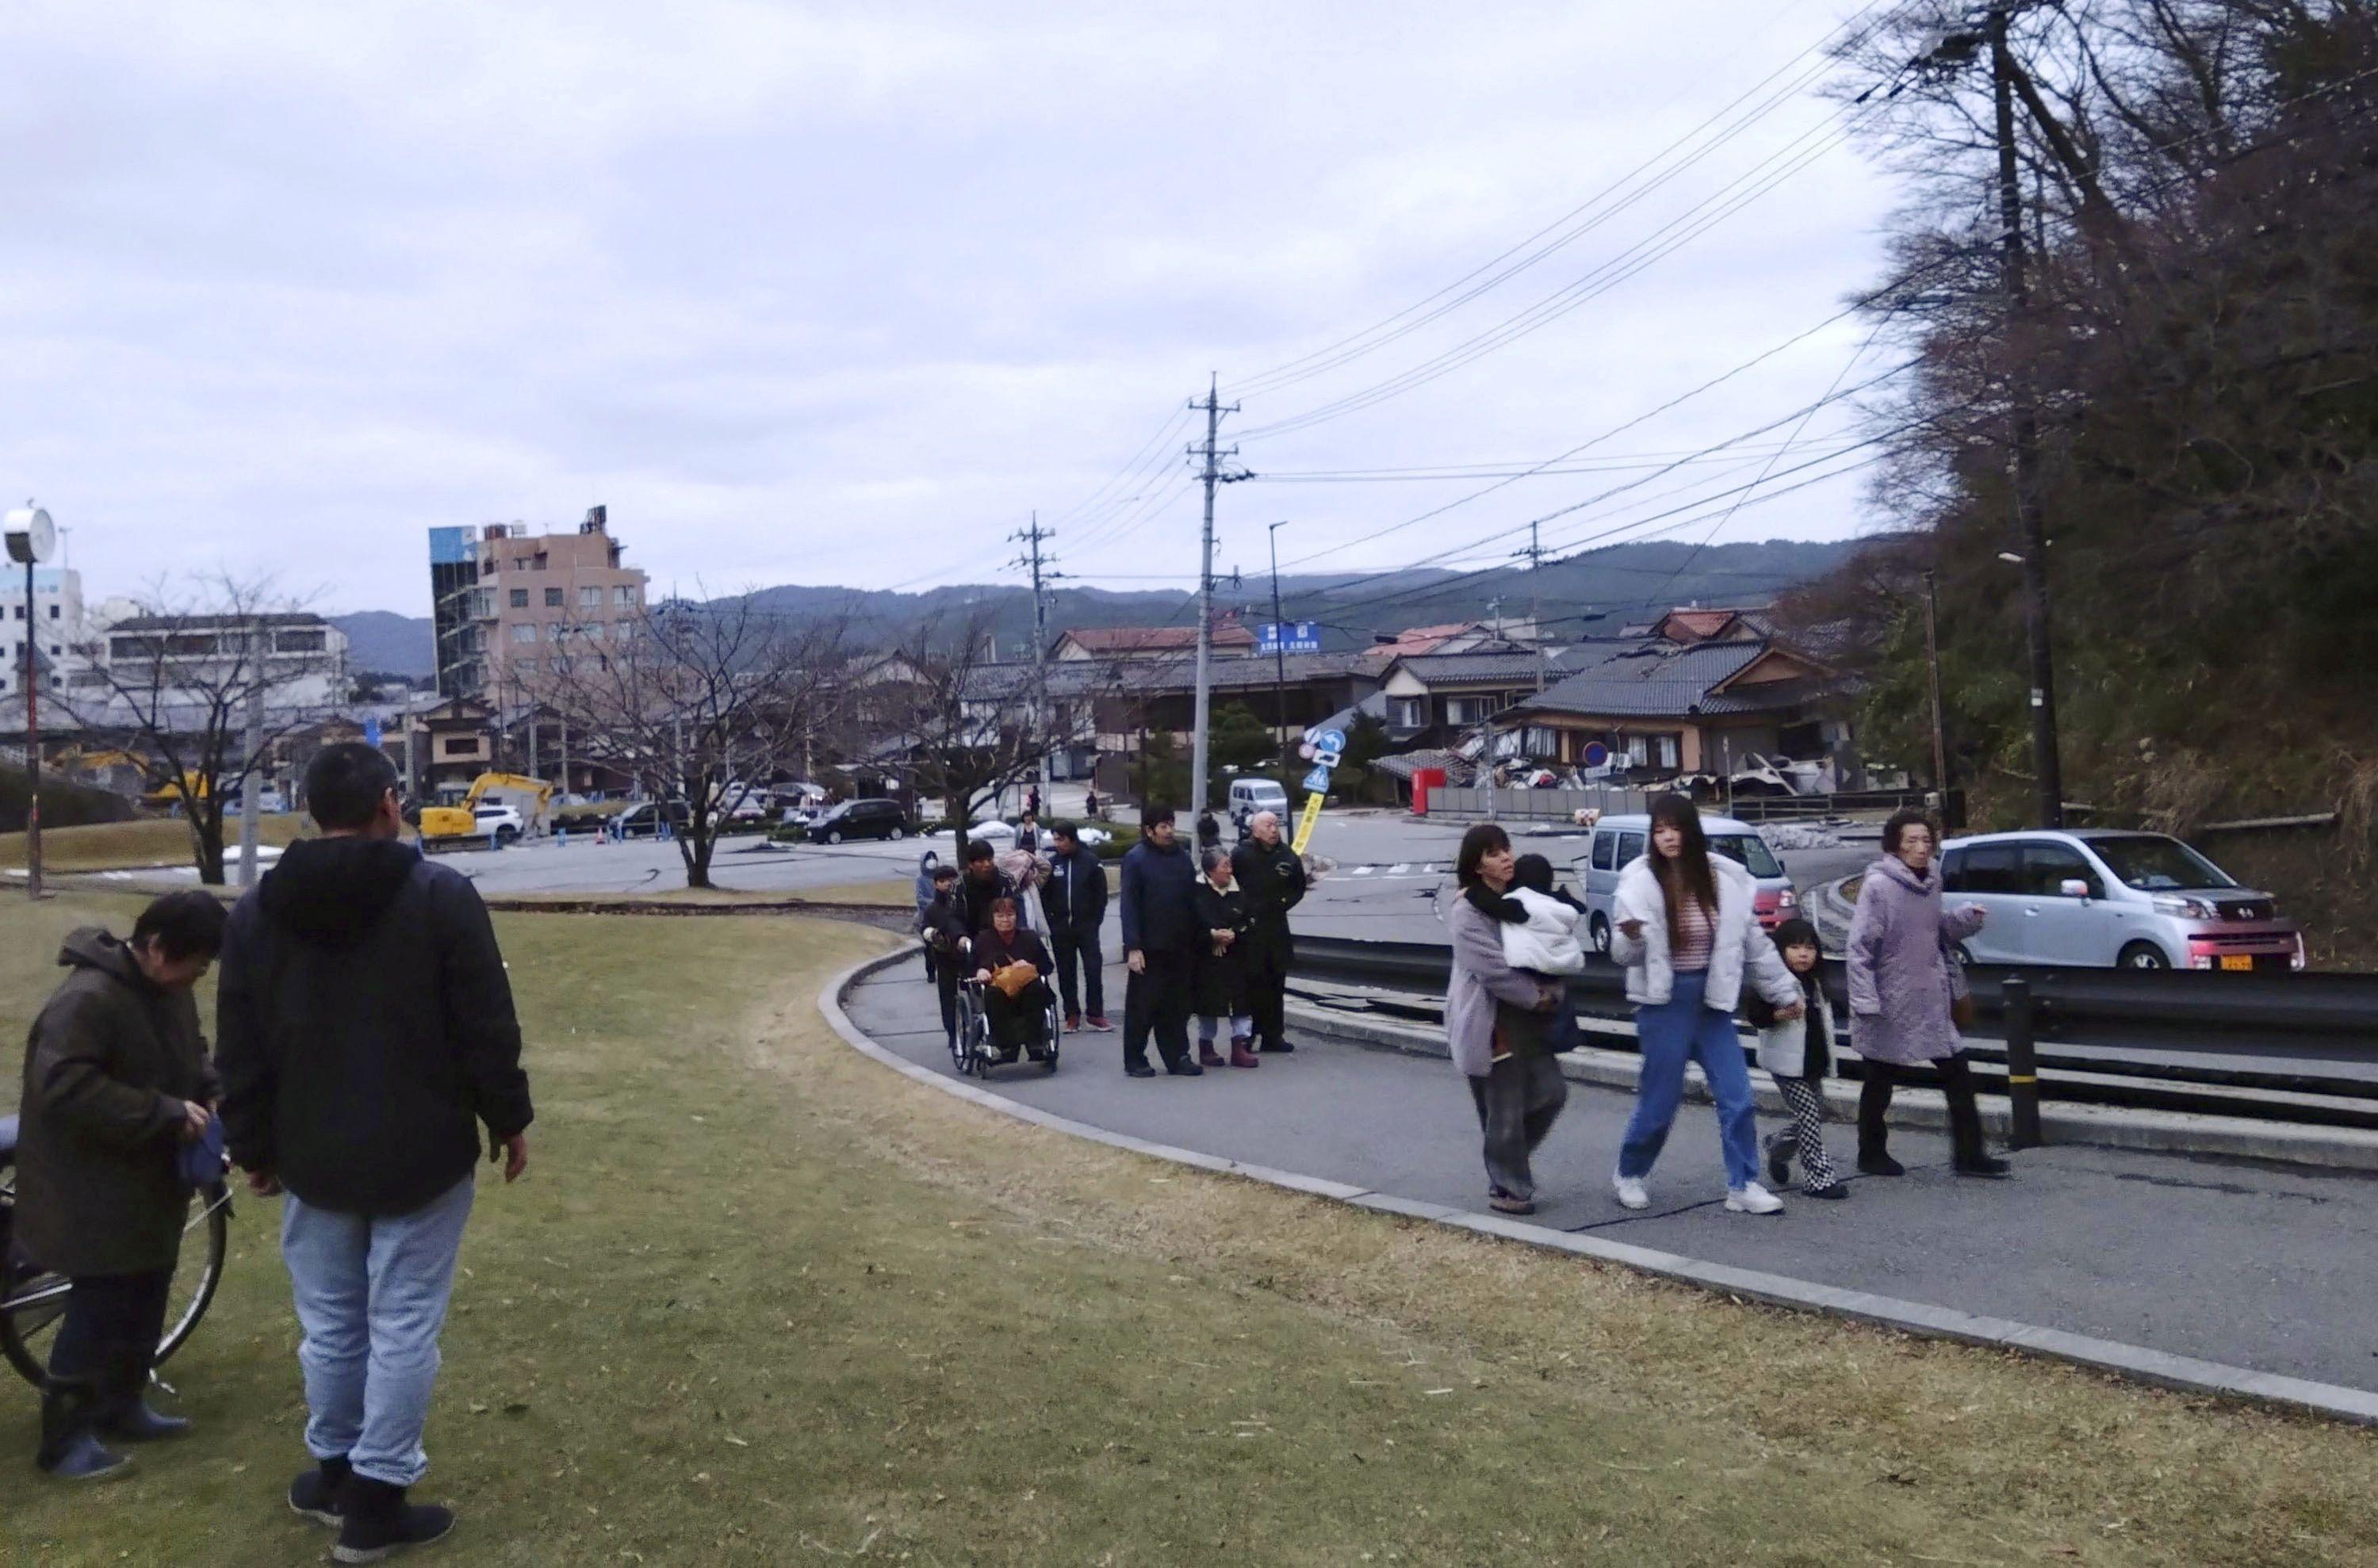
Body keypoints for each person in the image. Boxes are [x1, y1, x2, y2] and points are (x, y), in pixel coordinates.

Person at [217, 742, 534, 1559]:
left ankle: (334, 1471)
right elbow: (483, 1024)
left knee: (329, 1321)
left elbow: (240, 1046)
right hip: (422, 1148)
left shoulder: (255, 911)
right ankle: (376, 1498)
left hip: (309, 1151)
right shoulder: (439, 895)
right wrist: (508, 1118)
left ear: (311, 812)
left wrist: (249, 1143)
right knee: (400, 1324)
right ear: (390, 804)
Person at [15, 892, 229, 1481]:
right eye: (196, 963)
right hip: (89, 1183)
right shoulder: (87, 1000)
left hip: (148, 1180)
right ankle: (63, 1441)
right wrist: (163, 1112)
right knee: (100, 1302)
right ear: (156, 948)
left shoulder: (168, 991)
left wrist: (207, 1087)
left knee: (148, 1286)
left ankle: (121, 1404)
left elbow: (192, 1052)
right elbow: (62, 1086)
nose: (198, 976)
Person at [1609, 793, 1803, 1216]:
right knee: (1660, 1101)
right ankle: (1630, 1173)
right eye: (1659, 830)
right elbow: (1623, 956)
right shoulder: (1639, 881)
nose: (1668, 838)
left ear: (1691, 831)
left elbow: (1752, 945)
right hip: (1664, 1003)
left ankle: (1744, 1184)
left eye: (1675, 828)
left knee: (1739, 1095)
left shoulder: (1722, 880)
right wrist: (1632, 936)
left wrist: (1785, 992)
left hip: (1712, 1002)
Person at [1846, 810, 2008, 1178]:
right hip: (1890, 998)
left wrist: (1966, 919)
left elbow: (1937, 932)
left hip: (1931, 996)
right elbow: (1860, 948)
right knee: (1879, 1079)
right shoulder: (1878, 887)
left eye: (1926, 841)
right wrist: (1866, 1000)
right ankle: (1870, 1152)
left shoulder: (1932, 880)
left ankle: (1970, 1156)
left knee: (1959, 1075)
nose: (1921, 849)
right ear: (1894, 847)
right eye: (1911, 842)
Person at [1445, 824, 1567, 1214]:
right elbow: (1492, 971)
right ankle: (1509, 1187)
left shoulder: (1519, 901)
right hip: (1491, 1020)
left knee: (1552, 1093)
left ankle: (1503, 1156)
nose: (1506, 858)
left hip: (1529, 1020)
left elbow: (1548, 948)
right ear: (1476, 865)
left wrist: (1552, 993)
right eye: (1494, 853)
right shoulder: (1467, 911)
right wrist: (1536, 997)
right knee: (1504, 1107)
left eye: (1507, 849)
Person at [1748, 918, 1846, 1199]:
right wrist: (1778, 1015)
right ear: (1780, 950)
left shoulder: (1817, 984)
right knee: (1809, 1114)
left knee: (1816, 1114)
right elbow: (1756, 1015)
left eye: (1810, 948)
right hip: (1786, 1066)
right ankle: (1819, 1179)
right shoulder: (1774, 983)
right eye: (1794, 947)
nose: (1803, 954)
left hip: (1813, 1063)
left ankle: (1777, 1147)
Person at [1465, 852, 1587, 1057]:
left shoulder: (1521, 905)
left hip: (1528, 972)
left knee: (1527, 1035)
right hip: (1559, 971)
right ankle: (1564, 1038)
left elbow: (1491, 905)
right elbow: (1580, 907)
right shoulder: (1561, 906)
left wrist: (1470, 893)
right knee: (1557, 1013)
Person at [1119, 805, 1200, 1077]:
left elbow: (1193, 900)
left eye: (1171, 825)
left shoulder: (1183, 858)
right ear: (1149, 830)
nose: (1169, 831)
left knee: (1177, 1007)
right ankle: (1135, 1058)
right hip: (1148, 947)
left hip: (1179, 944)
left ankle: (1178, 1056)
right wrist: (1133, 947)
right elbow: (1129, 905)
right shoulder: (1135, 859)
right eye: (1163, 826)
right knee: (1143, 1006)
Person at [1230, 810, 1307, 1054]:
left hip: (1276, 927)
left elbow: (1299, 886)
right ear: (1255, 830)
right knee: (1250, 984)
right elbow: (1228, 885)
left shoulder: (1286, 855)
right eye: (1268, 825)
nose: (1274, 829)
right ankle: (1246, 1035)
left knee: (1276, 982)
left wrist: (1283, 903)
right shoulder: (1242, 855)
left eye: (1276, 825)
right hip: (1249, 929)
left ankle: (1273, 1034)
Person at [1190, 847, 1259, 1069]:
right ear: (1210, 871)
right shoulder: (1196, 890)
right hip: (1207, 958)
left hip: (1237, 955)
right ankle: (1206, 1046)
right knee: (1208, 1004)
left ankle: (1240, 1046)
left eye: (1230, 865)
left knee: (1241, 1001)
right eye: (1224, 866)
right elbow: (1188, 923)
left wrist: (1234, 934)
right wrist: (1211, 935)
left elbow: (1249, 919)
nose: (1230, 870)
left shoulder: (1239, 891)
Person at [1043, 821, 1111, 1031]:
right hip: (1061, 929)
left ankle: (1096, 1014)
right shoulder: (1053, 865)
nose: (1058, 843)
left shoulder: (1091, 862)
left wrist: (1094, 921)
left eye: (1061, 839)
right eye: (1055, 839)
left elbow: (1101, 895)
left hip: (1086, 928)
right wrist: (1052, 922)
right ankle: (1071, 1015)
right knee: (1066, 972)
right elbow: (1045, 896)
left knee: (1093, 969)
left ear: (1072, 839)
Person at [971, 899, 1057, 1061]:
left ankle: (1035, 1043)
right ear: (992, 917)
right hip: (997, 987)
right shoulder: (983, 940)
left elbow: (1048, 966)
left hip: (1027, 986)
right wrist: (980, 971)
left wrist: (1031, 965)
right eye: (1000, 915)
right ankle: (1007, 1047)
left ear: (1017, 916)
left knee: (1037, 989)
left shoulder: (1029, 937)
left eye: (1010, 915)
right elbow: (970, 968)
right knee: (992, 995)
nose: (1006, 920)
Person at [914, 863, 971, 1052]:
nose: (947, 884)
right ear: (935, 883)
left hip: (966, 956)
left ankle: (973, 1027)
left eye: (951, 880)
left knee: (972, 991)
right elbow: (924, 928)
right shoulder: (932, 909)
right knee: (947, 995)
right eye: (942, 881)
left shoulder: (964, 902)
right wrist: (931, 934)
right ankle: (952, 1033)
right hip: (943, 958)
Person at [956, 837, 1014, 938]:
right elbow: (954, 916)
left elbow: (1017, 908)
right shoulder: (959, 885)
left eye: (989, 860)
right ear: (971, 864)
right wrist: (960, 936)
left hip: (1002, 935)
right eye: (981, 861)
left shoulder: (1006, 879)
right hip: (970, 935)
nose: (987, 864)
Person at [913, 850, 943, 981]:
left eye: (933, 858)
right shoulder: (920, 879)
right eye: (928, 858)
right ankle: (931, 972)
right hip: (926, 917)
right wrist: (934, 903)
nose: (931, 860)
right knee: (929, 947)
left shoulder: (940, 876)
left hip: (941, 917)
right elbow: (920, 898)